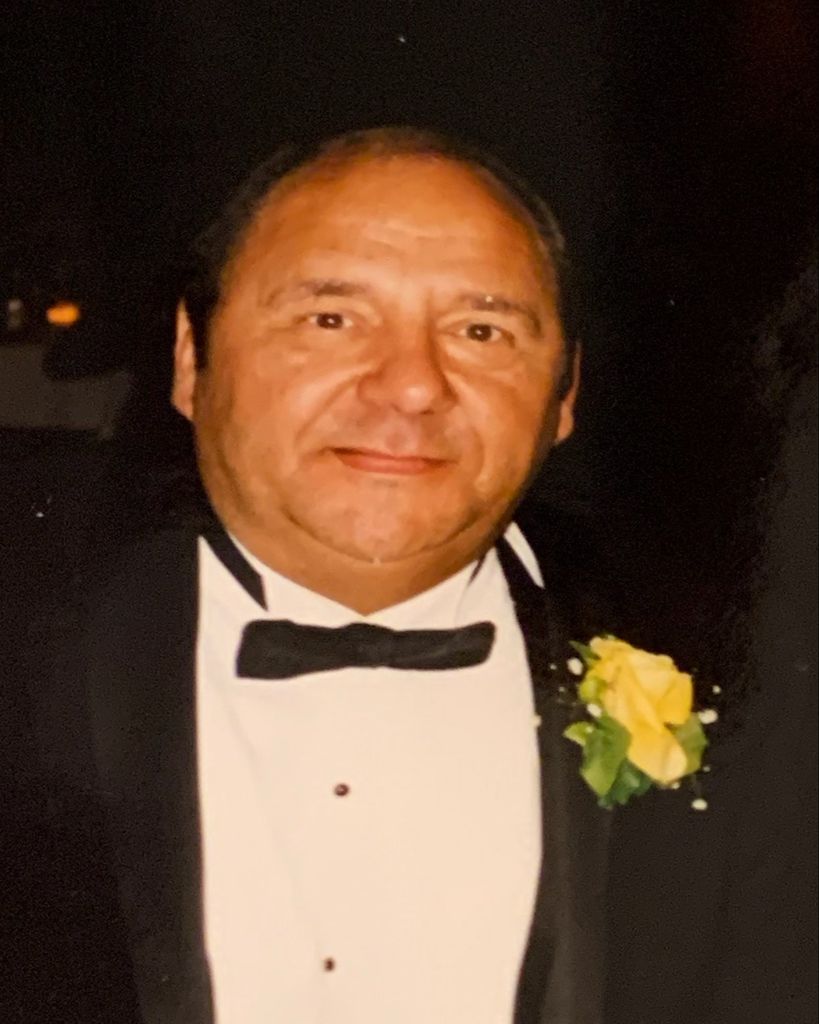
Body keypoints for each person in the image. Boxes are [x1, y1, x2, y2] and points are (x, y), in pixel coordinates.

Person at [3, 128, 814, 1024]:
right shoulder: (32, 641)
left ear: (563, 393)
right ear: (193, 360)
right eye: (330, 319)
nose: (412, 386)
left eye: (480, 330)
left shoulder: (739, 687)